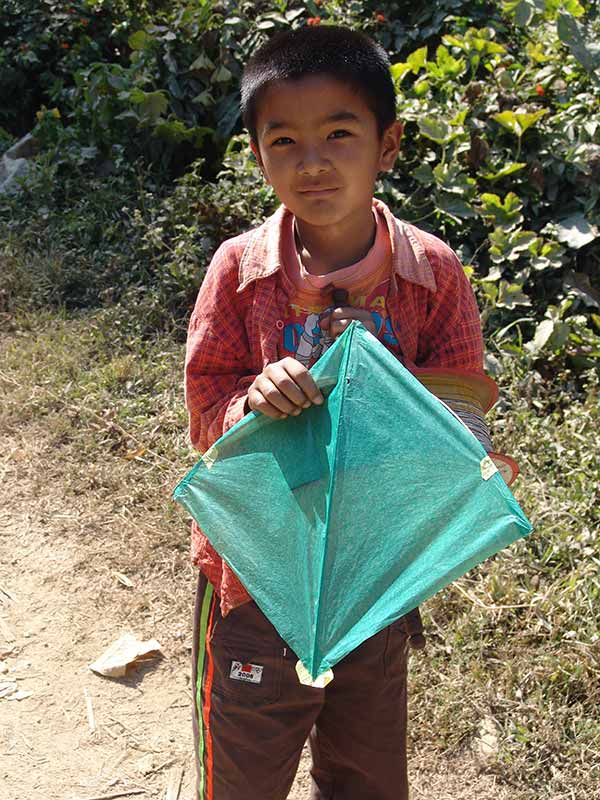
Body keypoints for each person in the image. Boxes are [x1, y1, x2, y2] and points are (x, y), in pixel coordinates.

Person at [185, 24, 484, 800]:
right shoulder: (238, 273)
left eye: (339, 134)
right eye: (283, 140)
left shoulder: (434, 275)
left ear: (387, 145)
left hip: (374, 582)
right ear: (257, 157)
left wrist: (411, 416)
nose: (311, 162)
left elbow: (463, 422)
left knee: (367, 774)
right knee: (243, 776)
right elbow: (207, 406)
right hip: (253, 576)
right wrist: (253, 401)